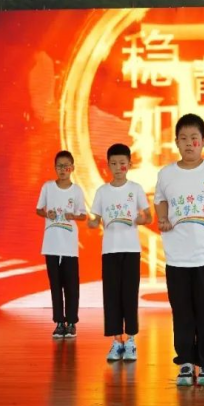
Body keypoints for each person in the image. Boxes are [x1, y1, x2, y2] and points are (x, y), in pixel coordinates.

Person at [154, 114, 204, 387]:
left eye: (194, 138)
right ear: (176, 142)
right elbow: (160, 201)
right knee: (182, 311)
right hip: (177, 256)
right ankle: (185, 362)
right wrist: (163, 218)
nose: (189, 143)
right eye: (183, 138)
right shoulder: (166, 174)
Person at [88, 143, 151, 361]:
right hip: (110, 250)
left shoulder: (136, 189)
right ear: (108, 166)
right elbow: (95, 219)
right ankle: (117, 341)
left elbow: (148, 216)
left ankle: (131, 340)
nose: (118, 168)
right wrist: (92, 223)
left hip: (131, 249)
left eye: (122, 163)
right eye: (113, 164)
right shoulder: (102, 191)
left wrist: (141, 219)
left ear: (129, 165)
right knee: (112, 296)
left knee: (129, 295)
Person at [36, 150, 87, 339]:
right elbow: (38, 209)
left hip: (69, 245)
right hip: (51, 244)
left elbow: (83, 215)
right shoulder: (48, 187)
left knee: (71, 285)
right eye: (59, 166)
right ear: (55, 168)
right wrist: (46, 213)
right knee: (55, 285)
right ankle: (59, 323)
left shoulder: (77, 190)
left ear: (72, 168)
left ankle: (71, 323)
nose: (63, 169)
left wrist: (73, 216)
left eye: (66, 166)